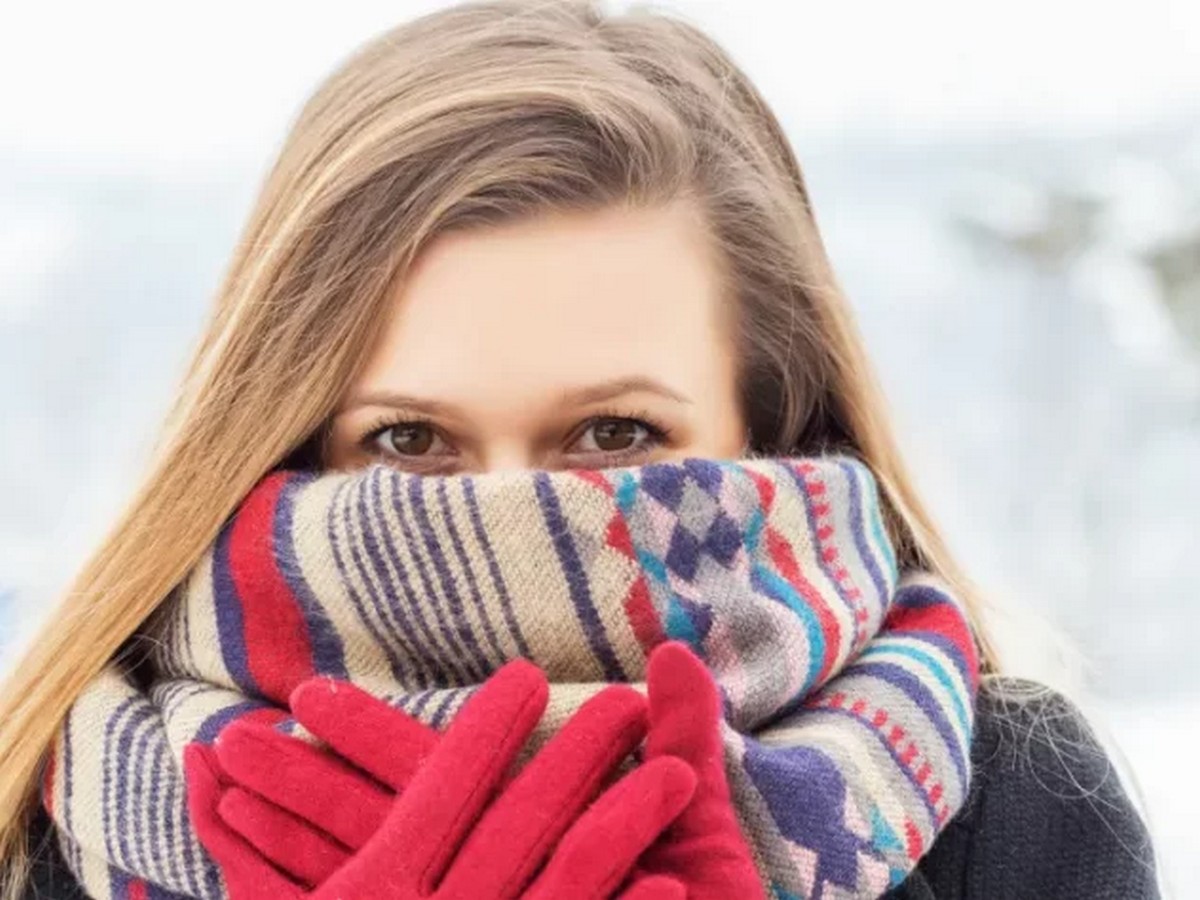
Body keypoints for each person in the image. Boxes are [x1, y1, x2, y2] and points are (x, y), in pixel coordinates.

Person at [0, 1, 1160, 898]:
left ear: (768, 430)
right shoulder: (72, 807)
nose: (509, 518)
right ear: (285, 440)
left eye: (615, 434)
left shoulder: (1007, 803)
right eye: (408, 439)